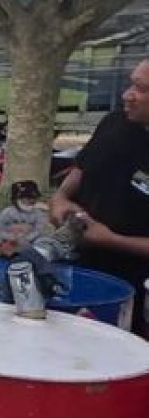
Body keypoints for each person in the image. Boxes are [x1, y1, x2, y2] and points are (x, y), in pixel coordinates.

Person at [50, 58, 149, 332]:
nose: (127, 95)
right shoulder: (115, 123)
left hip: (135, 287)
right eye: (131, 84)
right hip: (81, 268)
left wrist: (112, 240)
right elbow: (81, 170)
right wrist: (60, 200)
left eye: (140, 89)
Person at [0, 180, 47, 255]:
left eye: (34, 198)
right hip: (11, 243)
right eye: (28, 198)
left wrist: (27, 238)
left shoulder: (38, 214)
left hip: (31, 245)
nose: (32, 200)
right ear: (16, 199)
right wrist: (11, 238)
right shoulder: (7, 213)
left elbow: (39, 230)